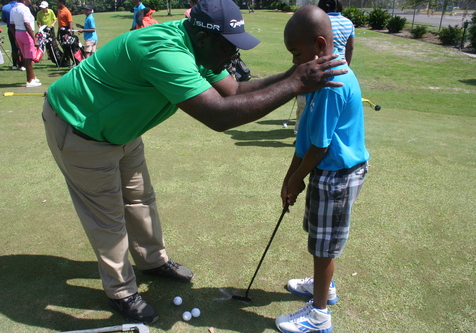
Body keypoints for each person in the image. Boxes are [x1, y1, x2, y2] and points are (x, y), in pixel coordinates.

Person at [42, 0, 347, 325]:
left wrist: (291, 74)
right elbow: (218, 115)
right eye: (229, 48)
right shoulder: (166, 54)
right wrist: (296, 84)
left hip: (122, 130)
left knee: (140, 198)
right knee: (108, 217)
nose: (233, 56)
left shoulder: (200, 47)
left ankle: (151, 261)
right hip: (81, 127)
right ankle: (121, 291)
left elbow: (234, 91)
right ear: (204, 39)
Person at [275, 5, 369, 333]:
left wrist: (297, 179)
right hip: (325, 171)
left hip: (338, 174)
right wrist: (290, 178)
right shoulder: (319, 77)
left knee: (323, 246)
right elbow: (305, 139)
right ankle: (323, 286)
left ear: (319, 45)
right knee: (318, 236)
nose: (293, 61)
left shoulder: (333, 84)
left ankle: (319, 316)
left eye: (296, 53)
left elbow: (320, 147)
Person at [293, 0, 355, 136]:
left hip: (318, 68)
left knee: (310, 105)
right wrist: (346, 65)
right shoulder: (348, 22)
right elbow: (349, 47)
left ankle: (302, 132)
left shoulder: (321, 21)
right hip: (341, 67)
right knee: (332, 111)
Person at [9, 0, 41, 87]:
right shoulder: (25, 9)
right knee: (28, 58)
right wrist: (34, 39)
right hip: (26, 34)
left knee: (26, 56)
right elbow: (27, 24)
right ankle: (29, 81)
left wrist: (15, 38)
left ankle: (32, 77)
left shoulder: (13, 9)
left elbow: (12, 25)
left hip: (18, 33)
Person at [1, 0, 23, 70]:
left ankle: (14, 64)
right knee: (21, 46)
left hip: (10, 28)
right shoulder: (22, 6)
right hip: (20, 28)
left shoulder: (5, 7)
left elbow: (4, 19)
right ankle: (22, 64)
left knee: (13, 46)